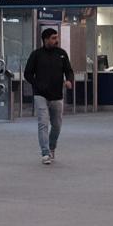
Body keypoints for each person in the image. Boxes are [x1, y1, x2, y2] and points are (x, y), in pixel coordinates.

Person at [21, 26, 74, 167]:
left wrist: (69, 80)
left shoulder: (62, 54)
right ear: (46, 40)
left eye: (56, 37)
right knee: (43, 123)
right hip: (40, 95)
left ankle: (52, 147)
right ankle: (45, 153)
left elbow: (69, 70)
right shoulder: (36, 55)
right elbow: (27, 73)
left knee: (56, 125)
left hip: (57, 95)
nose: (56, 40)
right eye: (53, 38)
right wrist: (36, 85)